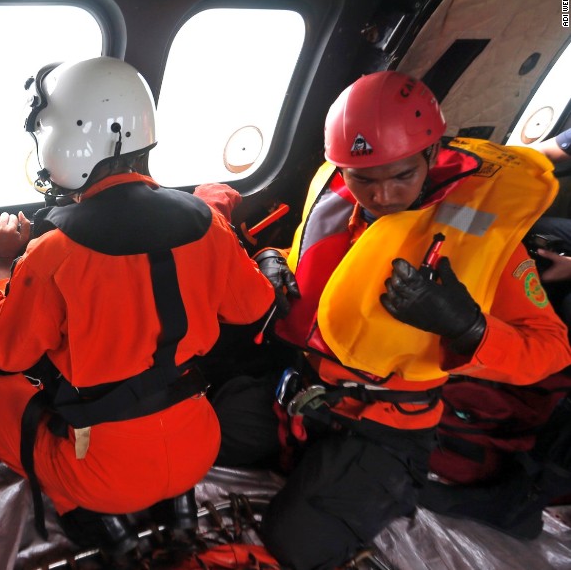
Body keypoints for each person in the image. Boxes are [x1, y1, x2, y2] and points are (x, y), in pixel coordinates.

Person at [213, 71, 571, 570]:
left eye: (402, 175)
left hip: (386, 423)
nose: (382, 196)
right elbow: (302, 256)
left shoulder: (485, 233)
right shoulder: (336, 201)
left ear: (431, 155)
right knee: (199, 435)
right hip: (303, 389)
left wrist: (467, 327)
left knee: (299, 543)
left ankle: (372, 483)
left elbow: (551, 350)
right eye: (364, 178)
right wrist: (273, 262)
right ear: (340, 168)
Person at [0, 57, 275, 562]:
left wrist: (1, 266)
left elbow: (6, 352)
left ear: (62, 140)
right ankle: (178, 513)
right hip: (200, 443)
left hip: (107, 474)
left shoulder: (52, 251)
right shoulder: (205, 220)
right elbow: (253, 305)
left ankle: (99, 522)